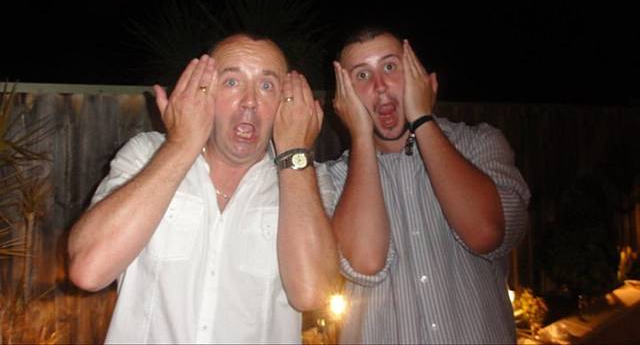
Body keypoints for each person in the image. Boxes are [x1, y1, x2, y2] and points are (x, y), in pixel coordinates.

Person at [67, 33, 339, 344]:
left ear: (283, 104)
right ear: (203, 90)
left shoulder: (306, 178)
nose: (250, 101)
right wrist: (182, 144)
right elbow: (89, 270)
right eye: (232, 82)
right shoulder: (146, 154)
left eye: (266, 86)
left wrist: (295, 154)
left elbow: (313, 292)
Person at [322, 27, 530, 344]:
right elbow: (364, 262)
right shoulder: (334, 179)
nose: (379, 86)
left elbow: (487, 233)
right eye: (361, 76)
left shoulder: (481, 144)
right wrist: (361, 135)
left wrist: (422, 118)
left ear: (423, 79)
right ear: (343, 100)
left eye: (390, 67)